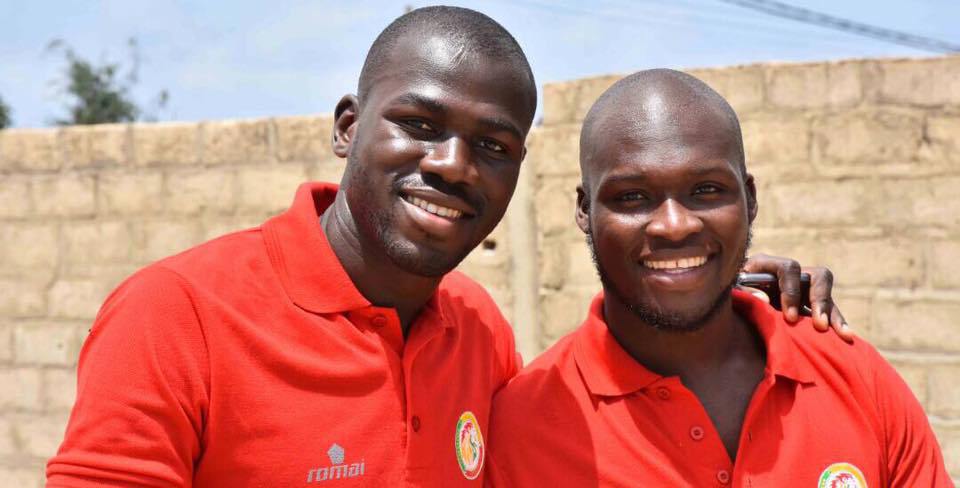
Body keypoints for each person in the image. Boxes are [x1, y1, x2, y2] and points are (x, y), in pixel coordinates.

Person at [47, 8, 850, 487]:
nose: (453, 166)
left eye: (493, 145)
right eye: (421, 126)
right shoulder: (177, 316)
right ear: (348, 127)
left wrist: (705, 294)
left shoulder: (475, 329)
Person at [485, 69, 951, 487]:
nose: (675, 224)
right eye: (632, 196)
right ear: (585, 211)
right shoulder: (523, 426)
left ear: (749, 199)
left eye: (706, 190)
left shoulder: (853, 375)